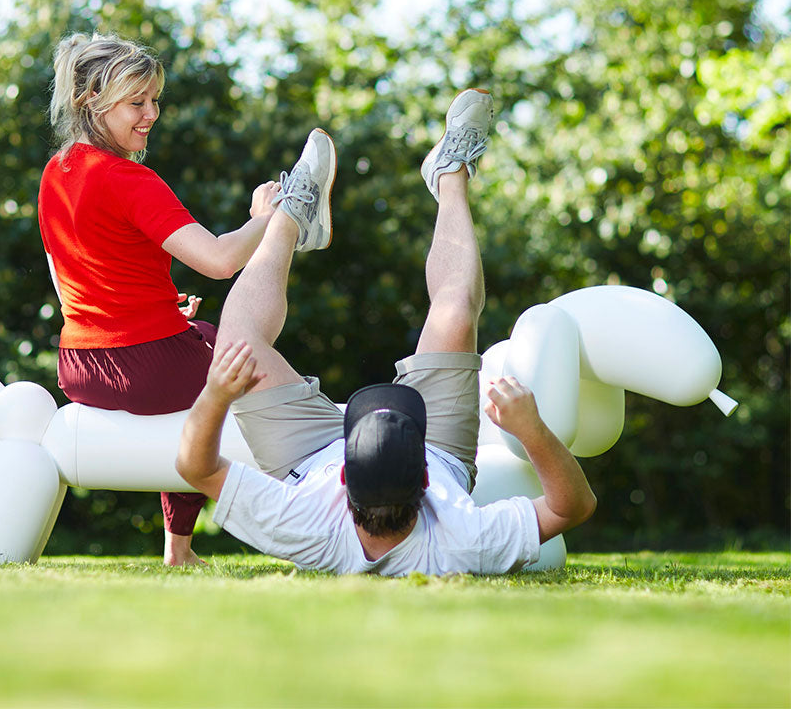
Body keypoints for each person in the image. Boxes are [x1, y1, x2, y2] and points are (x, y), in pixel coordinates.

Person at [176, 88, 597, 575]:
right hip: (442, 445)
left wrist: (216, 392)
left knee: (237, 347)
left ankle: (292, 216)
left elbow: (195, 467)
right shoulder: (460, 540)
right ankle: (451, 174)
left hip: (305, 455)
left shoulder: (305, 524)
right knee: (456, 312)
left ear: (343, 483)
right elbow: (573, 506)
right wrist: (533, 429)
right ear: (424, 478)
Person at [39, 32, 281, 566]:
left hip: (78, 366)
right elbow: (219, 260)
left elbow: (68, 275)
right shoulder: (130, 178)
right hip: (140, 366)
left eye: (155, 101)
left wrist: (158, 310)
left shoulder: (56, 172)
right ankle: (301, 518)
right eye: (136, 102)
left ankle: (181, 552)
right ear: (91, 102)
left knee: (208, 345)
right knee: (246, 362)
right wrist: (265, 220)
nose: (151, 115)